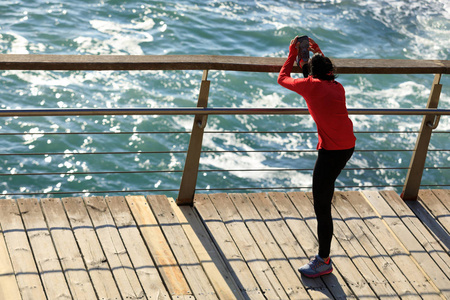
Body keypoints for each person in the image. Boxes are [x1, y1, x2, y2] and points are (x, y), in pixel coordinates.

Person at [278, 36, 356, 278]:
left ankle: (324, 260)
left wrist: (292, 53)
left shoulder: (309, 86)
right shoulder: (337, 87)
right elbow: (316, 77)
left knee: (322, 207)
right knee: (325, 197)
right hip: (347, 146)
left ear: (312, 72)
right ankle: (324, 257)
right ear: (331, 72)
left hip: (331, 152)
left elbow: (282, 78)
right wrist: (316, 53)